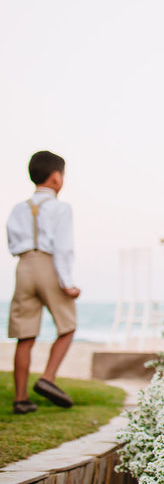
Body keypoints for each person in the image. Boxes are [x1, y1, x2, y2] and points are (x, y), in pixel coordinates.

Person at [7, 151, 79, 414]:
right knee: (68, 325)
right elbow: (63, 248)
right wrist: (67, 282)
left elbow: (12, 243)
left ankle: (21, 398)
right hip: (48, 264)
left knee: (25, 334)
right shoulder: (61, 208)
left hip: (24, 265)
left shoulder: (18, 208)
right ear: (57, 178)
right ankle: (48, 377)